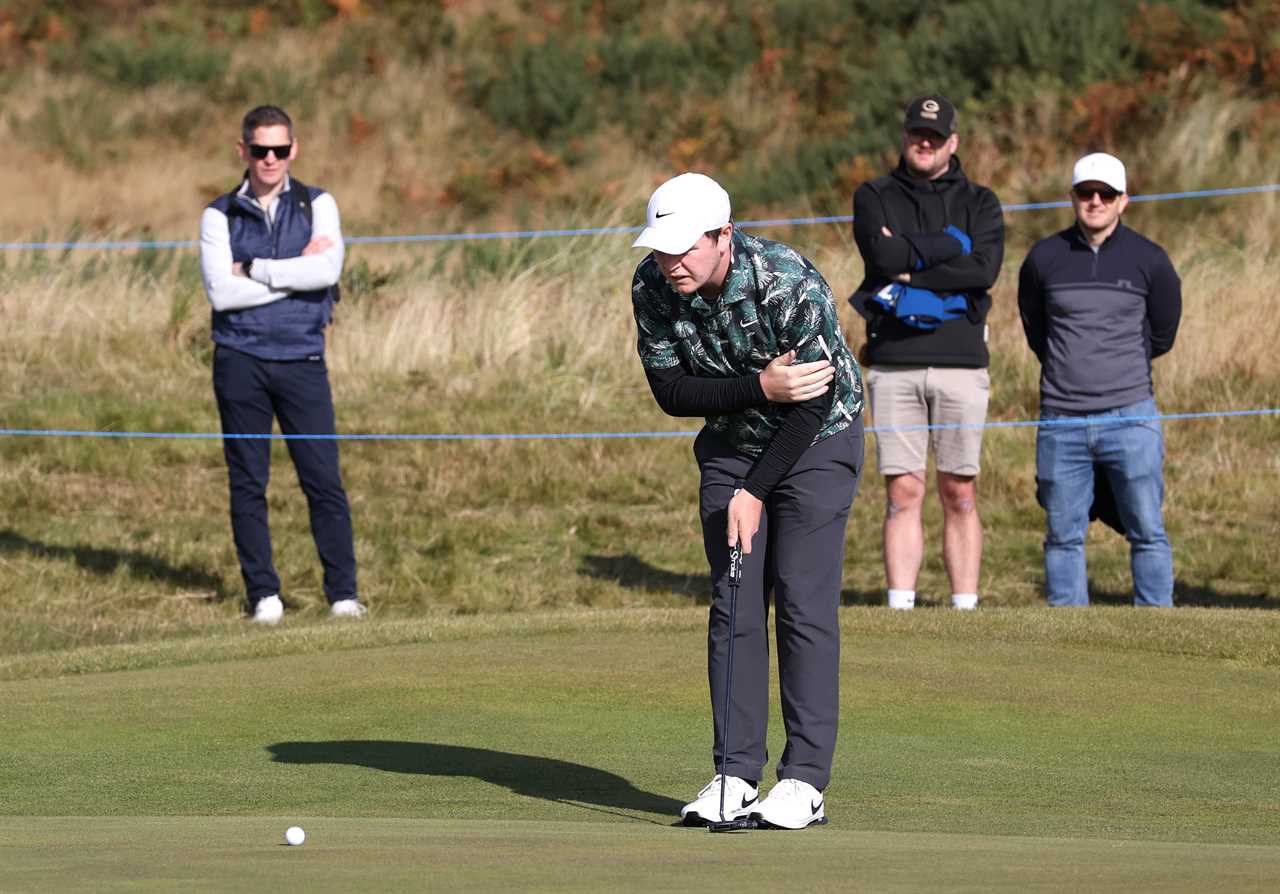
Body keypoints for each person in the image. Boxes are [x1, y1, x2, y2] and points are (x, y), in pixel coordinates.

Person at [630, 172, 865, 830]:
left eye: (685, 247)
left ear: (723, 236)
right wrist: (761, 385)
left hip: (818, 441)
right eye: (660, 247)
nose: (671, 261)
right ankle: (734, 774)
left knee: (800, 600)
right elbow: (672, 391)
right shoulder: (652, 285)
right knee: (734, 601)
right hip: (732, 444)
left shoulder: (786, 280)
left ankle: (804, 782)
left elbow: (812, 398)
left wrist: (756, 491)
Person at [198, 105, 364, 624]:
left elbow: (328, 270)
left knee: (322, 480)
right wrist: (295, 274)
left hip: (302, 358)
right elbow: (221, 294)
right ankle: (264, 596)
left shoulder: (319, 204)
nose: (269, 159)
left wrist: (255, 268)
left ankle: (343, 595)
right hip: (239, 360)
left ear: (294, 149)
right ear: (242, 150)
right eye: (259, 149)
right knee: (248, 482)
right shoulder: (218, 214)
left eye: (279, 149)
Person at [849, 94, 1005, 611]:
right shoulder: (874, 194)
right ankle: (901, 607)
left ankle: (964, 608)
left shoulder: (981, 202)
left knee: (960, 492)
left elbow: (983, 272)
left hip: (962, 364)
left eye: (935, 137)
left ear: (952, 143)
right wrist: (951, 245)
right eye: (917, 133)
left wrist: (909, 267)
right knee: (903, 494)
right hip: (894, 363)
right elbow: (881, 254)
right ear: (905, 136)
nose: (925, 142)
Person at [1017, 152, 1181, 607]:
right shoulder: (1044, 258)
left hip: (1131, 418)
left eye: (1106, 194)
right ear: (1072, 197)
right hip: (1061, 421)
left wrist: (1117, 369)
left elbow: (1162, 332)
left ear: (1123, 201)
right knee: (1062, 535)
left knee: (1147, 529)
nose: (1095, 201)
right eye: (1086, 193)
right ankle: (1071, 641)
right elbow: (1037, 329)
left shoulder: (1150, 259)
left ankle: (1157, 630)